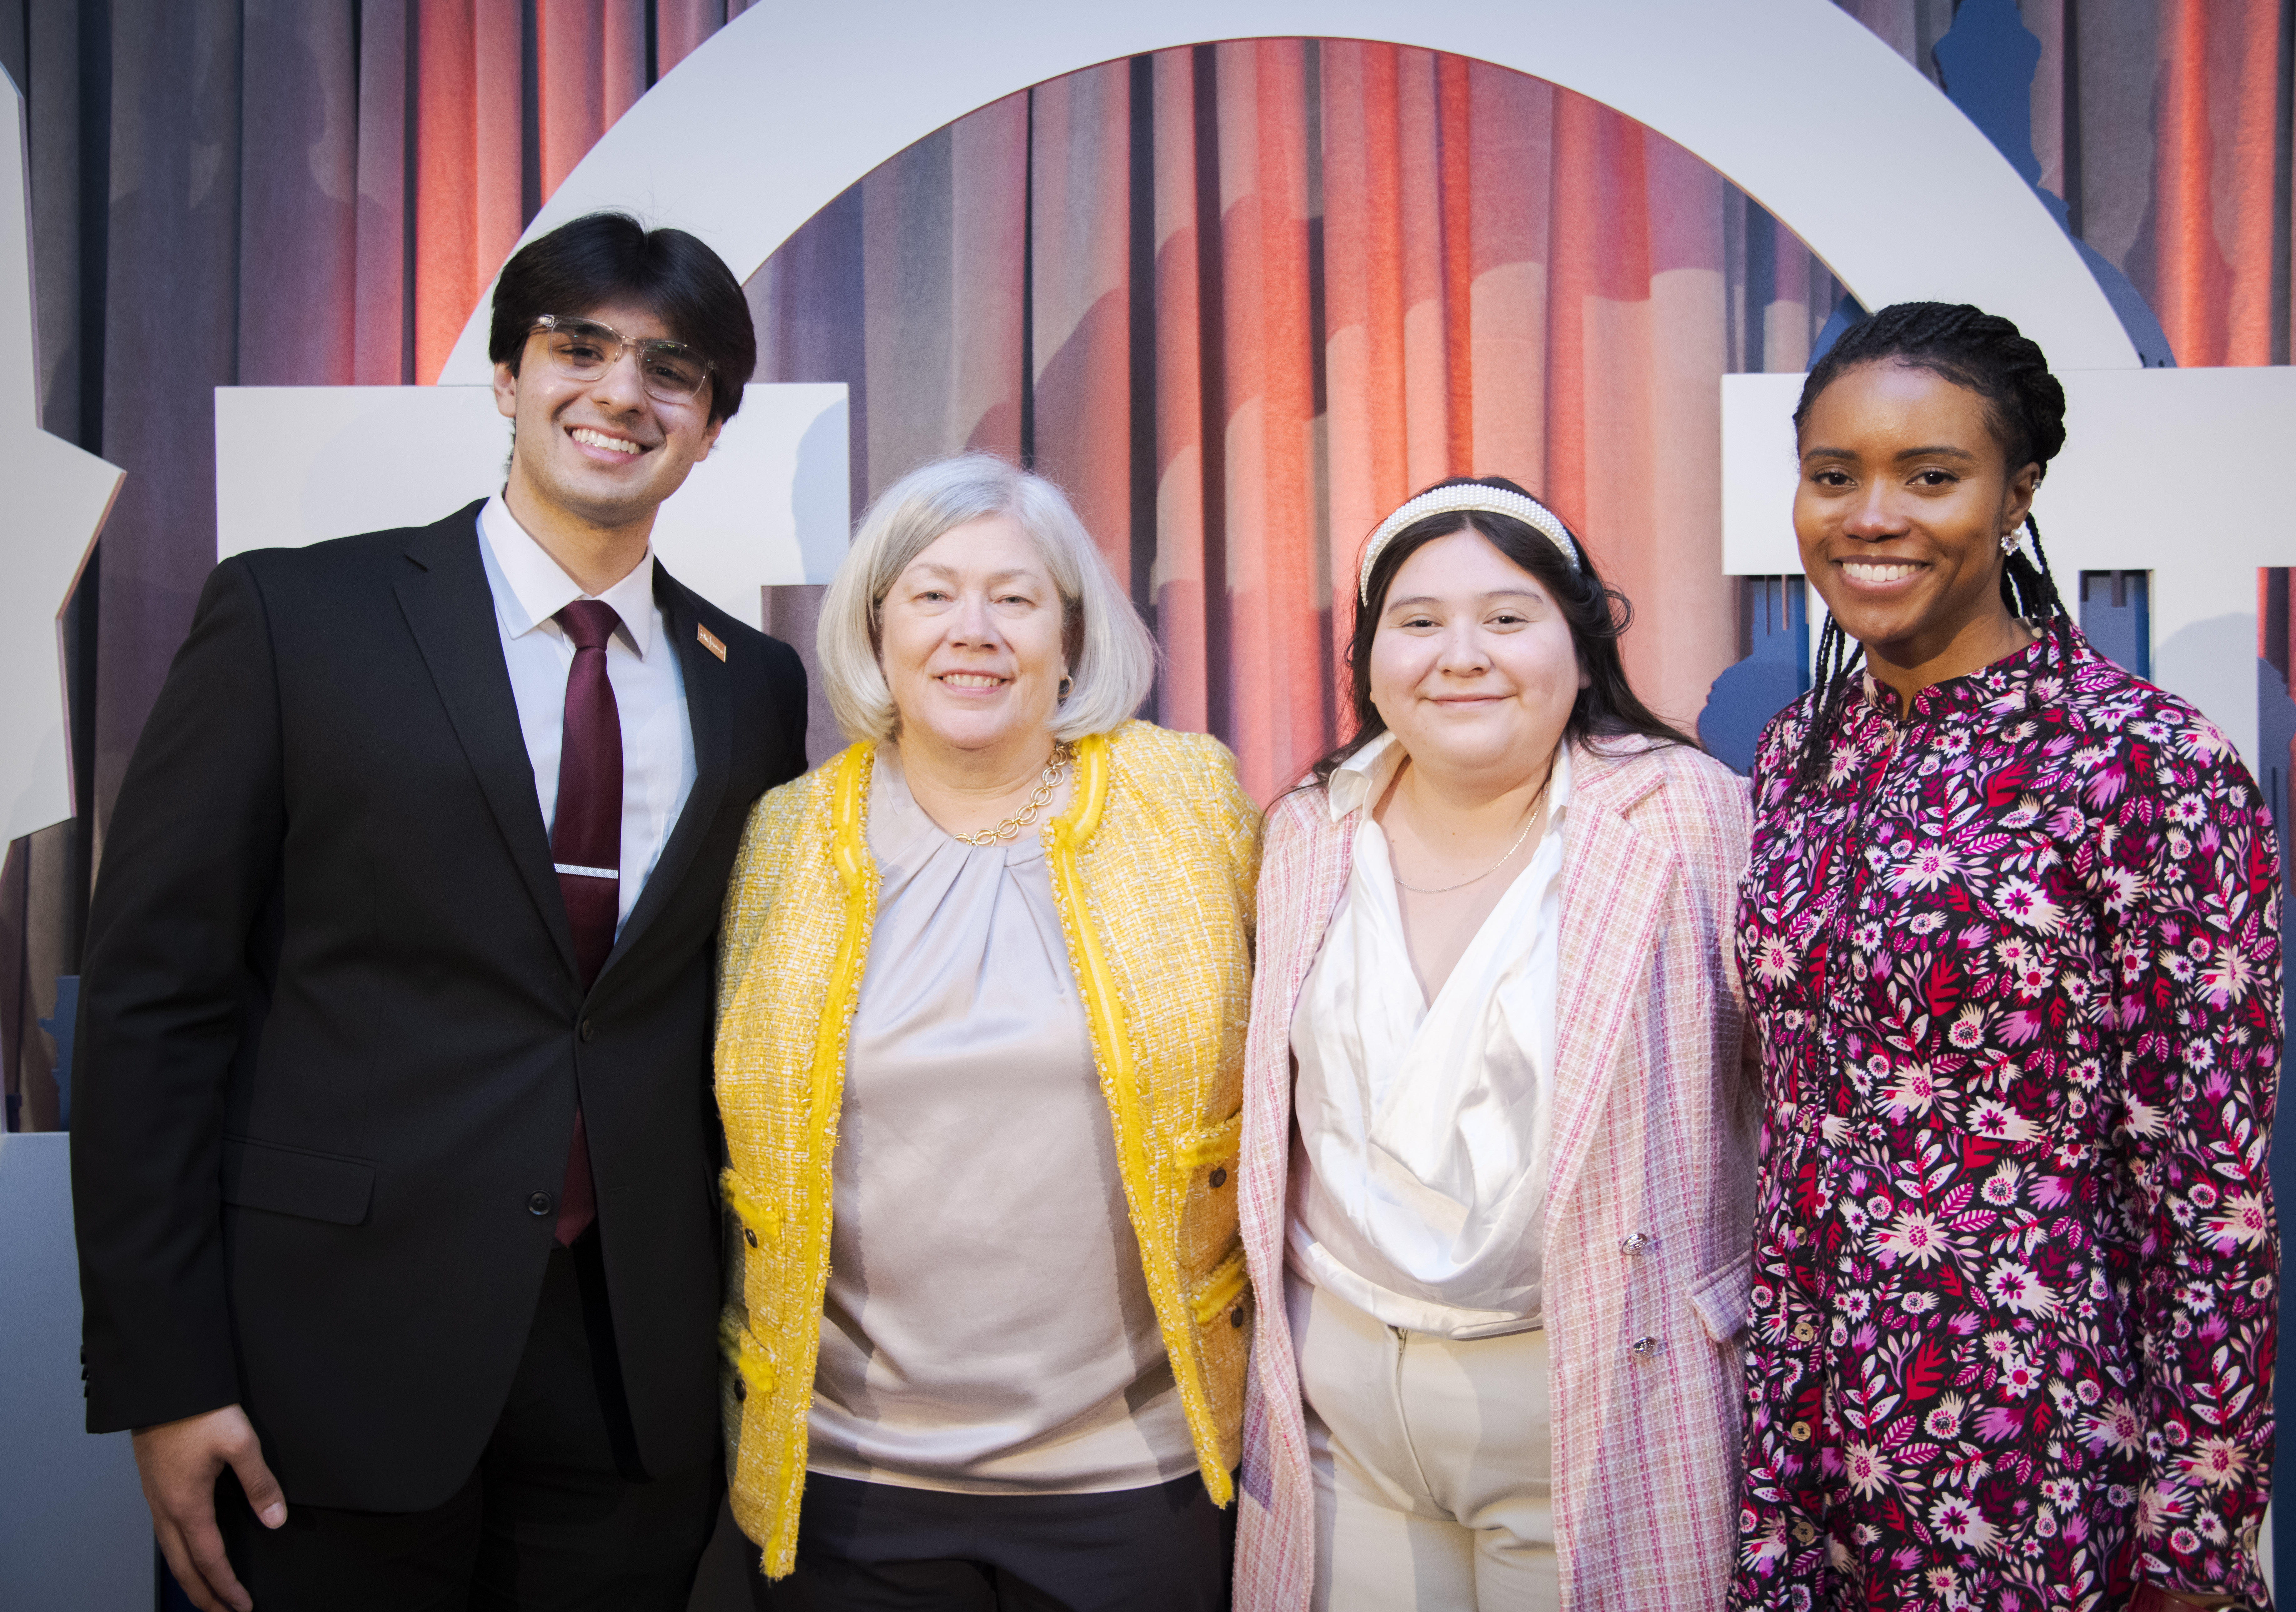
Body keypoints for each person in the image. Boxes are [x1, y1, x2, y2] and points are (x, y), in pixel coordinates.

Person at [71, 211, 809, 1611]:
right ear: (506, 375)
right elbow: (155, 1005)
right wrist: (164, 1376)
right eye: (576, 348)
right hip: (324, 1367)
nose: (619, 394)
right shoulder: (299, 616)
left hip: (629, 1384)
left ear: (711, 425)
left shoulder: (753, 682)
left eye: (672, 370)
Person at [1725, 303, 2279, 1612]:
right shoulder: (1795, 756)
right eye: (1831, 475)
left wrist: (2191, 1538)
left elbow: (2209, 1183)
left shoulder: (2141, 758)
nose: (1870, 515)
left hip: (2032, 1451)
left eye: (1930, 475)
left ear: (2016, 493)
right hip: (1806, 1429)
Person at [712, 452, 1261, 1609]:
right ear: (877, 627)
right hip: (850, 1485)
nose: (975, 630)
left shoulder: (1190, 803)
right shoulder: (785, 836)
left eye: (1015, 597)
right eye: (931, 593)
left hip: (1137, 1478)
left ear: (1071, 631)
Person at [1233, 477, 1759, 1612]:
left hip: (1588, 1396)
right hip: (1344, 1420)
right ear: (1370, 659)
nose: (1460, 654)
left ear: (1581, 640)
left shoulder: (1684, 817)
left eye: (1508, 618)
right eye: (1417, 622)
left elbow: (1785, 1094)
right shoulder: (1308, 829)